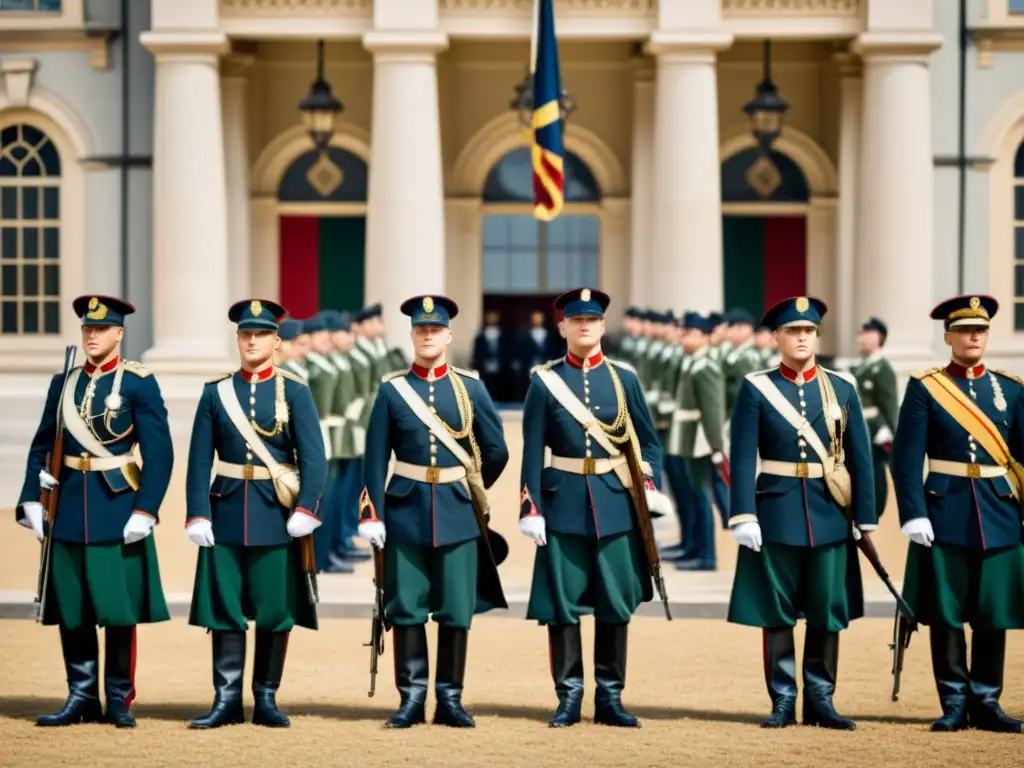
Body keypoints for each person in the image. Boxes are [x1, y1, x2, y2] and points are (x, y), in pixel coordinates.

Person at [15, 295, 173, 728]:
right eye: (87, 329)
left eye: (101, 329)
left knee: (117, 609)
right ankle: (81, 695)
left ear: (118, 334)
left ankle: (119, 698)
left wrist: (146, 510)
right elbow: (42, 444)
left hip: (116, 506)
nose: (92, 335)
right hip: (67, 507)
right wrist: (32, 494)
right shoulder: (64, 383)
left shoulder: (139, 382)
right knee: (74, 607)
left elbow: (159, 454)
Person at [358, 294, 510, 729]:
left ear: (448, 334)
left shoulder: (470, 387)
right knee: (406, 607)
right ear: (413, 335)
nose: (428, 336)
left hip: (458, 512)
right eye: (421, 330)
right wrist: (372, 513)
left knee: (455, 609)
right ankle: (411, 698)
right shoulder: (392, 390)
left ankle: (449, 699)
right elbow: (374, 459)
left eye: (435, 330)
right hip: (405, 512)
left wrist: (468, 489)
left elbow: (495, 450)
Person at [726, 296, 875, 730]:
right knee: (777, 612)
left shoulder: (841, 387)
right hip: (776, 509)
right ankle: (784, 697)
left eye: (808, 331)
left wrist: (864, 514)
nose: (802, 338)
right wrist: (743, 514)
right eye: (793, 331)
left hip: (830, 511)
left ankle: (821, 697)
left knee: (826, 609)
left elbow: (858, 456)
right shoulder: (757, 387)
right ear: (777, 337)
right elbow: (740, 458)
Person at [519, 288, 664, 729]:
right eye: (575, 320)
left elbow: (647, 442)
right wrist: (531, 506)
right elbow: (531, 452)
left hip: (616, 503)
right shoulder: (544, 382)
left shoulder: (625, 380)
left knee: (614, 602)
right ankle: (569, 696)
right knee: (563, 607)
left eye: (592, 320)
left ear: (602, 326)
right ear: (562, 327)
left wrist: (648, 486)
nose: (584, 326)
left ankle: (610, 696)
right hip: (563, 504)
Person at [184, 298, 327, 729]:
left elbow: (315, 459)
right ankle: (226, 699)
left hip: (274, 515)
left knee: (274, 610)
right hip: (226, 512)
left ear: (276, 341)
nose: (251, 341)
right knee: (224, 610)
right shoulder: (216, 392)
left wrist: (306, 509)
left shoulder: (295, 391)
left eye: (260, 334)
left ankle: (265, 697)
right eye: (245, 334)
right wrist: (197, 513)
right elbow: (197, 460)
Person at [891, 294, 1024, 733]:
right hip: (944, 511)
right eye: (965, 330)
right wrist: (913, 512)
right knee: (947, 614)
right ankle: (953, 701)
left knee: (993, 613)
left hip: (1000, 512)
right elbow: (906, 459)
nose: (973, 337)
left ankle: (986, 700)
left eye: (981, 330)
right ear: (948, 336)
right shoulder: (926, 387)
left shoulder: (1011, 388)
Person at [667, 312, 727, 571]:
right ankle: (693, 547)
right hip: (687, 439)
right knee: (691, 496)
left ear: (703, 336)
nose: (683, 337)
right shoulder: (692, 363)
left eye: (689, 333)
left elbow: (712, 412)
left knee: (701, 498)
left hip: (700, 442)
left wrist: (716, 447)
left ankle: (706, 555)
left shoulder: (706, 367)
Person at [850, 318, 898, 520]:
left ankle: (874, 510)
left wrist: (890, 431)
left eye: (867, 334)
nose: (862, 339)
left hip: (874, 430)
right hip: (857, 425)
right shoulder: (859, 367)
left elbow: (889, 403)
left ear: (879, 338)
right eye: (861, 334)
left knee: (874, 472)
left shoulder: (882, 369)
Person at [471, 309, 510, 402]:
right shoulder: (481, 335)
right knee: (486, 384)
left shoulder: (503, 334)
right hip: (485, 364)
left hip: (499, 364)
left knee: (499, 385)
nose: (492, 319)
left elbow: (506, 349)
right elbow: (477, 351)